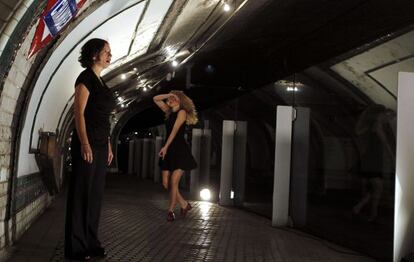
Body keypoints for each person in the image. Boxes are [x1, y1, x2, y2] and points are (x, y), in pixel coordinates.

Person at [65, 38, 116, 261]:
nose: (110, 55)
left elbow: (104, 118)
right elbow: (79, 113)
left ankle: (91, 242)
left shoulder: (101, 82)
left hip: (100, 144)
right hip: (87, 145)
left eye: (110, 52)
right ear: (94, 54)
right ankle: (76, 248)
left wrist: (109, 145)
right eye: (106, 51)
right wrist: (84, 143)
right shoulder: (85, 79)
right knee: (81, 195)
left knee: (95, 196)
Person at [153, 90, 198, 221]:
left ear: (180, 100)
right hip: (168, 148)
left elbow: (174, 131)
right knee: (166, 184)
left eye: (173, 98)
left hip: (179, 150)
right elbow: (156, 98)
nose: (169, 100)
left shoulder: (182, 112)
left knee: (174, 181)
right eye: (169, 99)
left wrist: (165, 147)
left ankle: (171, 211)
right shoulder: (168, 111)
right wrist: (168, 94)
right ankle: (184, 204)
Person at [352, 104, 395, 222]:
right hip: (373, 161)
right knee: (378, 188)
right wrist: (393, 158)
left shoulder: (372, 124)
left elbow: (358, 132)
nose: (390, 120)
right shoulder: (377, 125)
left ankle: (360, 208)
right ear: (383, 115)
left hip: (372, 159)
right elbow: (385, 143)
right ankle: (372, 214)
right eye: (390, 117)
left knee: (376, 188)